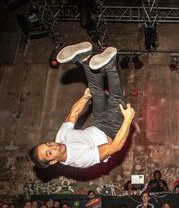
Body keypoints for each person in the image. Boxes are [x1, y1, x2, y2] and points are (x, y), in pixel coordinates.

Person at [29, 41, 136, 169]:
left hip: (98, 123)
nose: (54, 146)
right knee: (116, 98)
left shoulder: (61, 137)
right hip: (113, 131)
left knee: (96, 93)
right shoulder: (80, 160)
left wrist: (85, 97)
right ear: (52, 161)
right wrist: (128, 120)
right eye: (50, 152)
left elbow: (72, 115)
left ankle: (84, 59)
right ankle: (111, 63)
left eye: (48, 144)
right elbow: (115, 147)